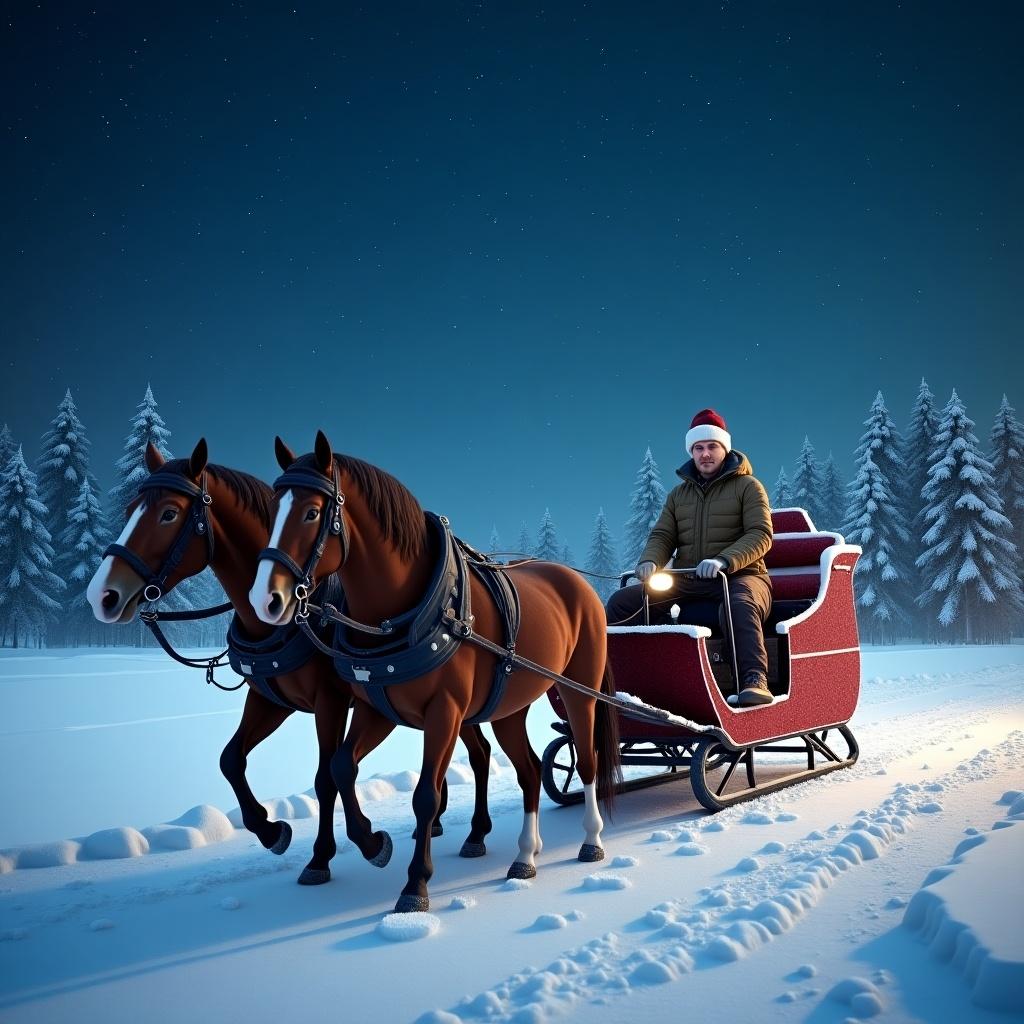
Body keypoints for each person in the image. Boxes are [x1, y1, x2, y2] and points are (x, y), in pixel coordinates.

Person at [606, 408, 775, 707]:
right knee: (625, 602)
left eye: (712, 446)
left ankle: (754, 679)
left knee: (740, 603)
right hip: (688, 579)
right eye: (698, 448)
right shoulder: (678, 495)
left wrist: (724, 560)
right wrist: (650, 561)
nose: (705, 454)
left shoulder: (748, 487)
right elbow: (662, 536)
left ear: (725, 448)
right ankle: (613, 679)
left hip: (742, 576)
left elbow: (761, 534)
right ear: (691, 452)